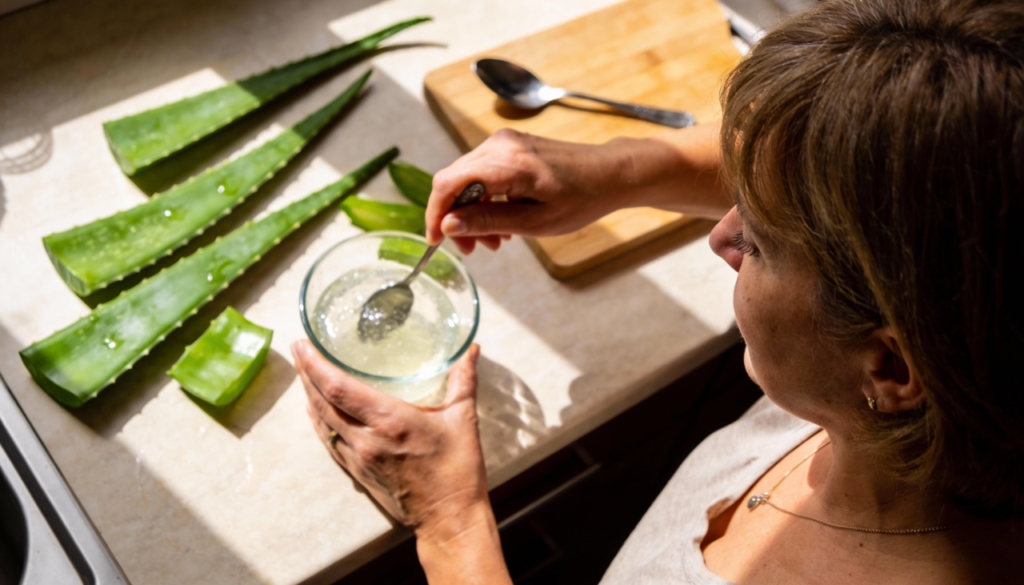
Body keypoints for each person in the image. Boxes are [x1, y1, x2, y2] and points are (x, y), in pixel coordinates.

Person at [291, 0, 1024, 582]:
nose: (719, 236)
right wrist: (618, 169)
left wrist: (451, 528)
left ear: (892, 368)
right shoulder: (942, 362)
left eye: (761, 243)